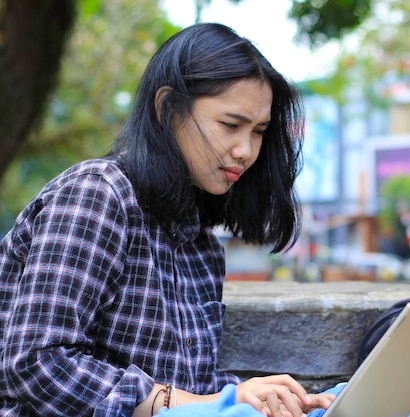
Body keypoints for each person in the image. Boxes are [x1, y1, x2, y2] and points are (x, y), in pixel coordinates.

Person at [0, 23, 334, 417]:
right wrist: (221, 403)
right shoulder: (97, 194)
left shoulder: (202, 245)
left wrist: (259, 398)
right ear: (167, 108)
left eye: (259, 131)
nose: (245, 150)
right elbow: (36, 362)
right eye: (230, 125)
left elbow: (190, 393)